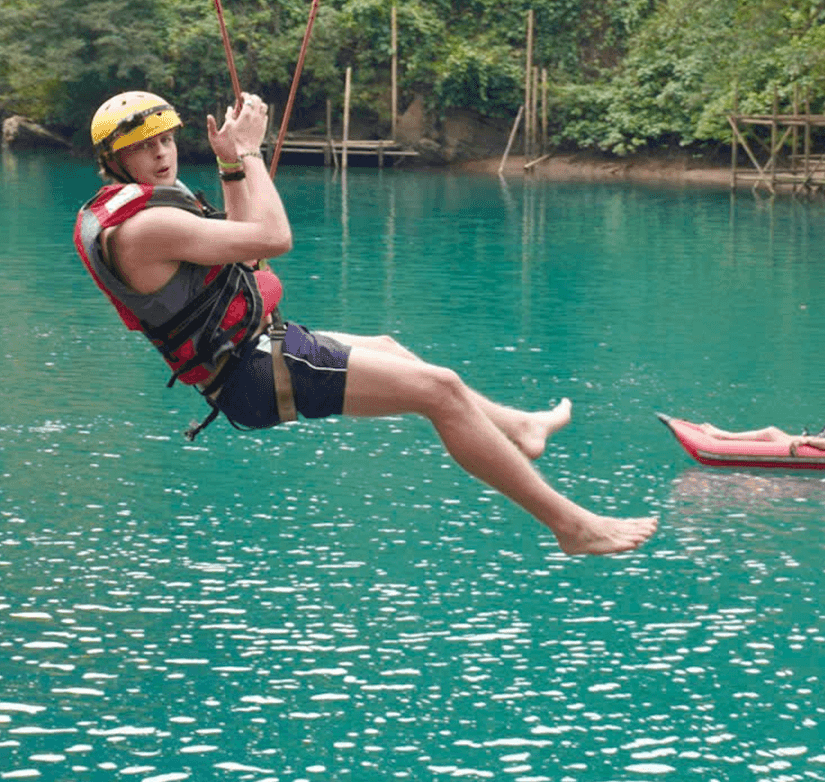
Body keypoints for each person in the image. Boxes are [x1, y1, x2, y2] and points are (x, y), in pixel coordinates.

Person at [73, 89, 657, 556]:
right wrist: (249, 152)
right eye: (145, 145)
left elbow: (244, 251)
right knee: (441, 389)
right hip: (251, 372)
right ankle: (572, 526)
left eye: (167, 138)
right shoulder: (148, 228)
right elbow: (274, 238)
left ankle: (519, 428)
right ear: (114, 160)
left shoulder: (153, 206)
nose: (161, 153)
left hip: (259, 346)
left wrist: (230, 164)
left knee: (390, 347)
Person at [698, 391, 825, 454]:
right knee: (771, 432)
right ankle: (725, 435)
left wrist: (806, 440)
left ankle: (723, 436)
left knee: (770, 432)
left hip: (813, 448)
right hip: (814, 444)